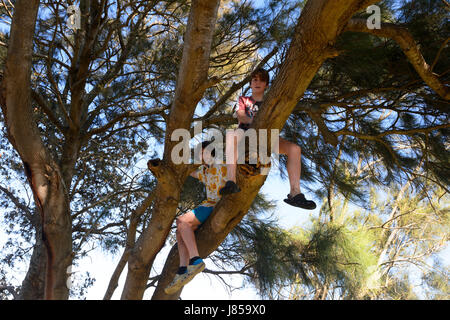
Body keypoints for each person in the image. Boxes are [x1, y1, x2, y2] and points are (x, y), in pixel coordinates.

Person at [218, 68, 316, 210]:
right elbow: (241, 116)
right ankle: (231, 181)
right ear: (250, 84)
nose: (258, 82)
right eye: (255, 80)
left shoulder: (271, 101)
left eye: (262, 80)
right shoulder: (244, 100)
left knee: (295, 149)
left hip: (267, 137)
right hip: (245, 134)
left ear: (267, 85)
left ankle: (295, 193)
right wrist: (258, 121)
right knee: (231, 134)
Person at [165, 140, 227, 295]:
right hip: (207, 205)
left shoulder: (222, 165)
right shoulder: (204, 171)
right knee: (180, 230)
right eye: (199, 153)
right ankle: (182, 270)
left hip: (215, 205)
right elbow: (188, 171)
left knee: (181, 221)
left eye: (203, 152)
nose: (200, 156)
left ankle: (196, 260)